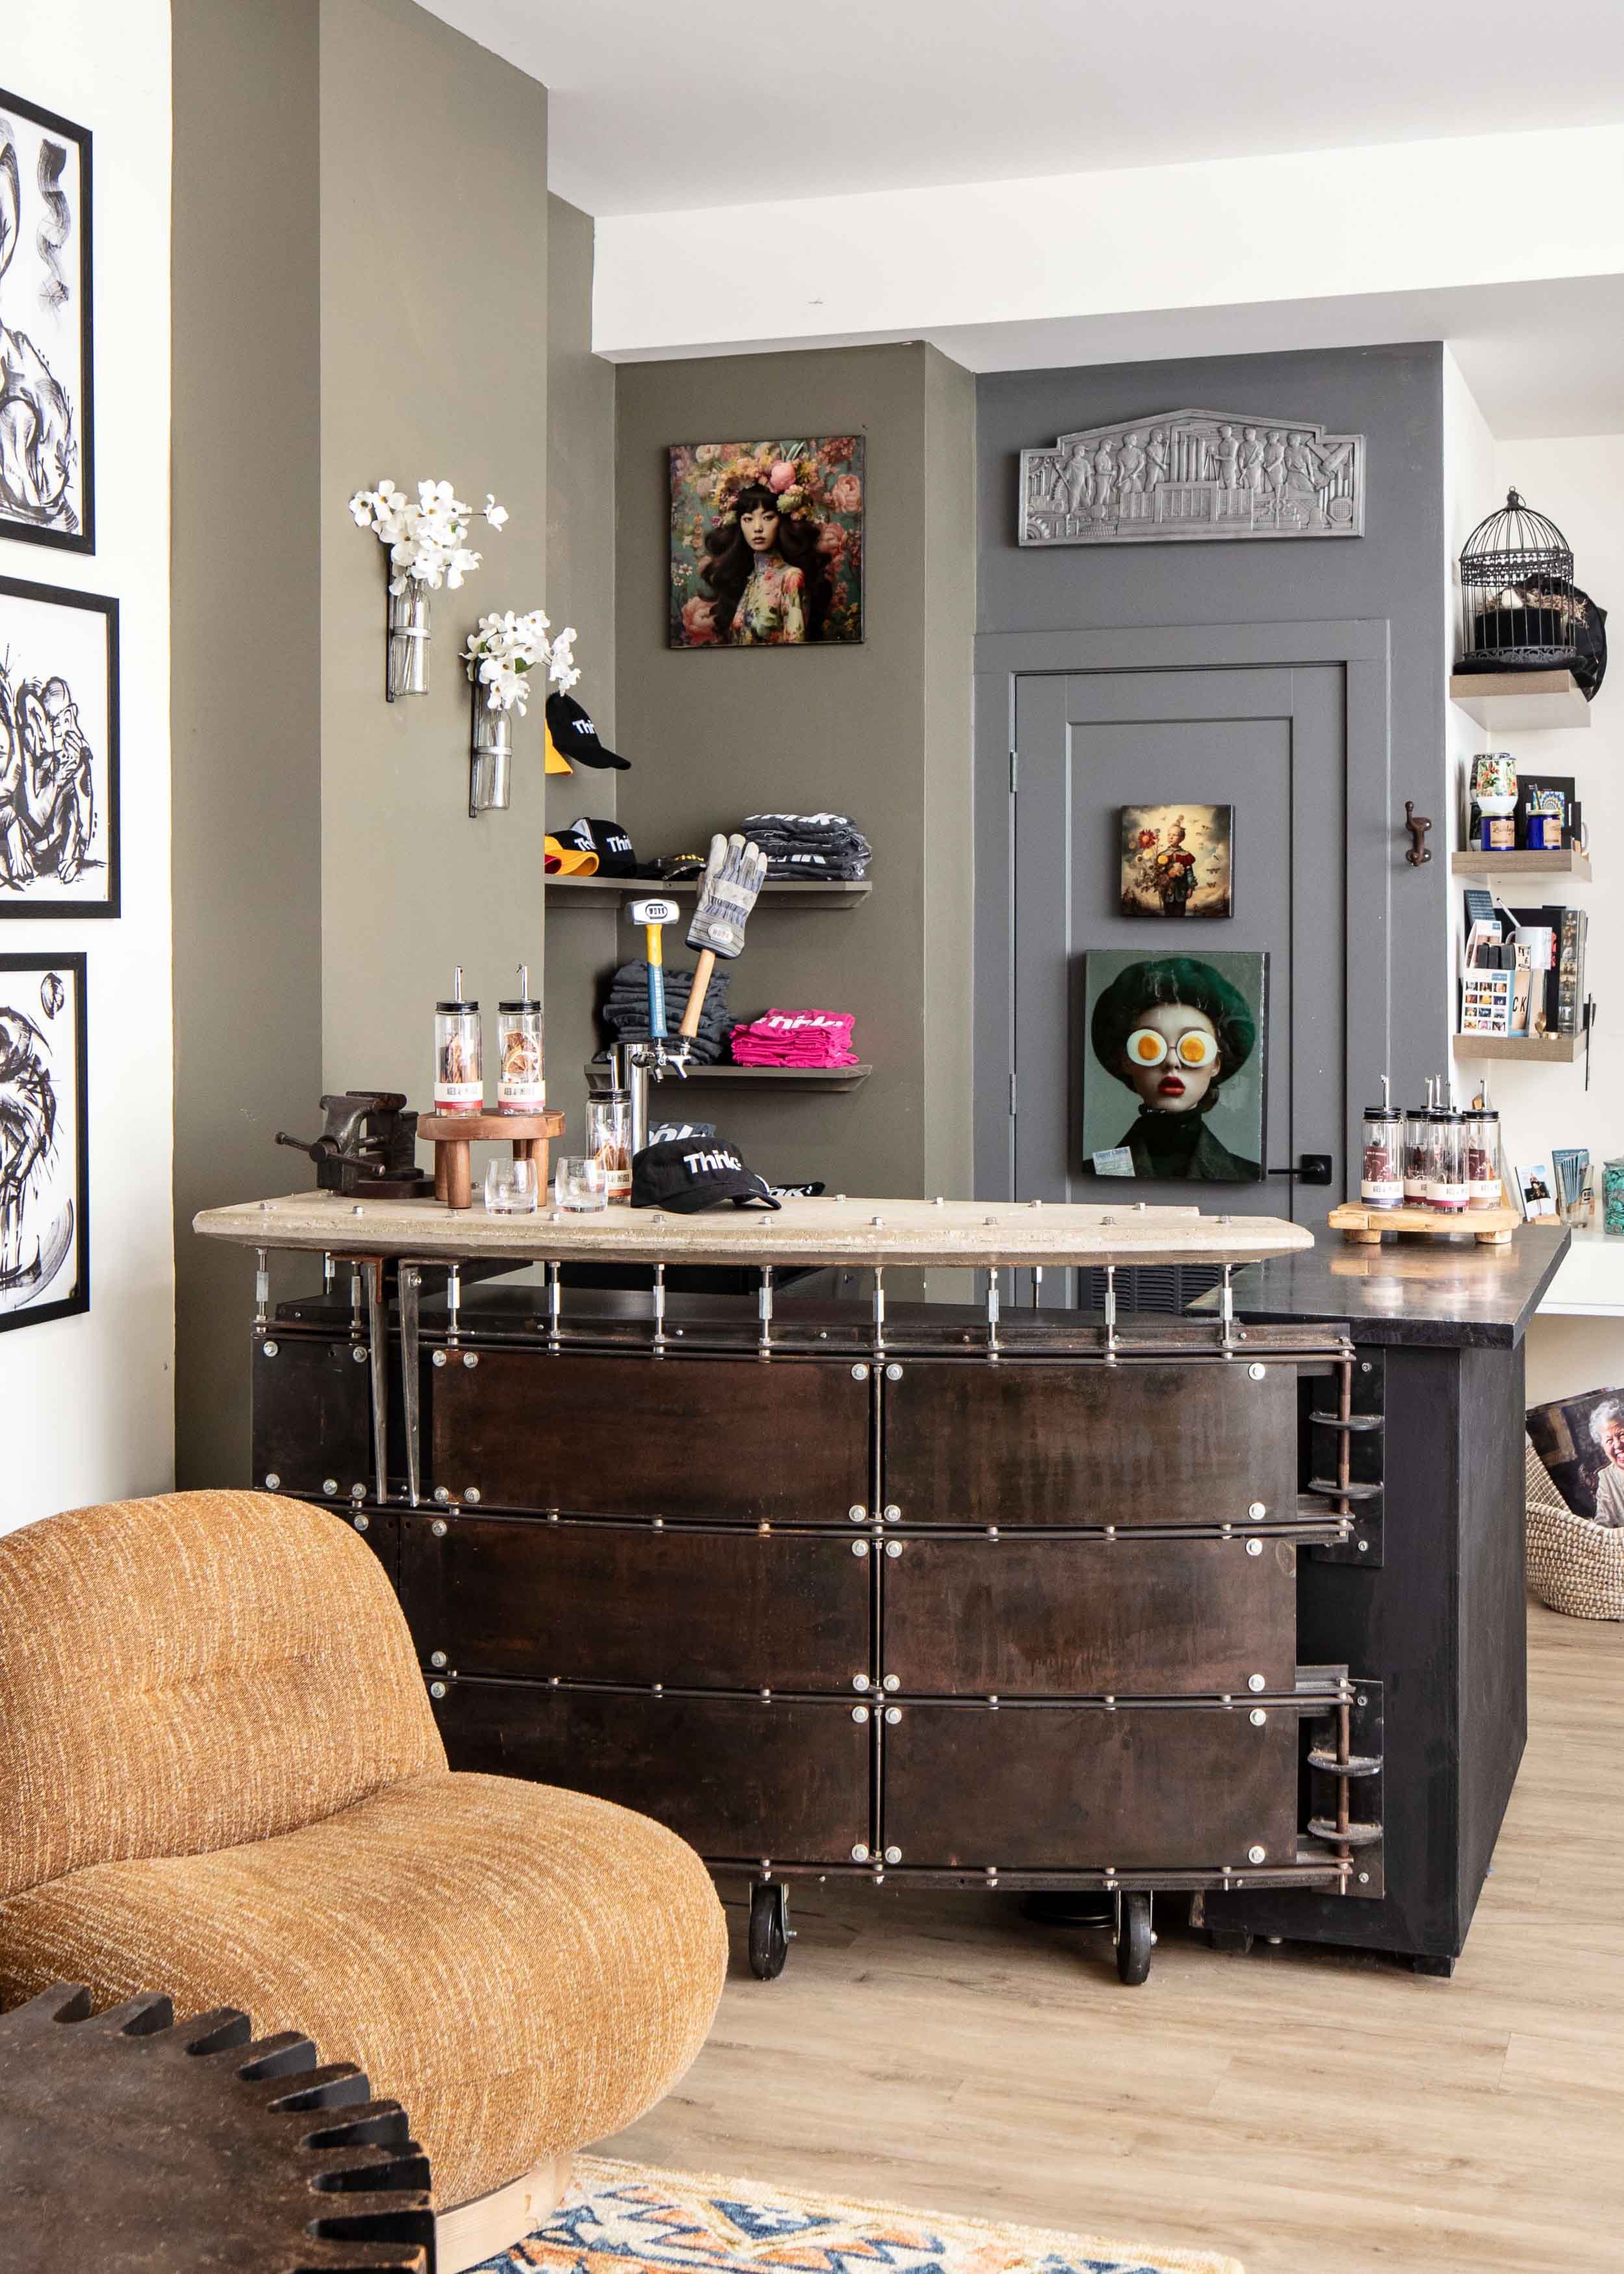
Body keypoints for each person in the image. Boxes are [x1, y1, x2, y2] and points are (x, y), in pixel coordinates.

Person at [1089, 956, 1262, 1182]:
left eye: (1193, 1047)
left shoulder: (1247, 1175)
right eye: (1149, 1046)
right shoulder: (1093, 1174)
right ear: (1126, 1060)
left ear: (1216, 1063)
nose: (1172, 1062)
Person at [698, 462, 833, 646]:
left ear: (782, 521)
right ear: (740, 525)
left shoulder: (791, 577)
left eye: (768, 517)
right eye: (748, 519)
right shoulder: (751, 577)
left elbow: (796, 651)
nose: (757, 528)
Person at [1588, 1398, 1624, 1526]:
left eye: (1622, 1435)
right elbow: (1602, 1525)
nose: (1618, 1445)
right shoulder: (1607, 1479)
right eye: (1609, 1441)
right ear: (1603, 1447)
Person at [1152, 821, 1198, 915]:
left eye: (1174, 835)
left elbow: (1189, 873)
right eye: (1169, 834)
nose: (1171, 837)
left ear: (1182, 838)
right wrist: (1160, 885)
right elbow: (1159, 873)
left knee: (1180, 912)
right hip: (1167, 891)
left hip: (1181, 890)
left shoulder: (1186, 855)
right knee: (1168, 912)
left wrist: (1190, 888)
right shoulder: (1162, 855)